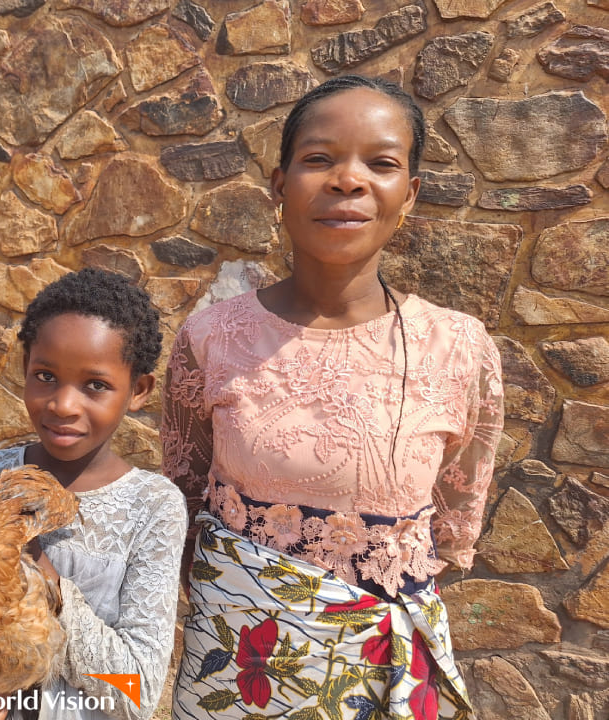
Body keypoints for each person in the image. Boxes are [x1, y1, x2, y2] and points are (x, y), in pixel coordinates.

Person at [162, 75, 504, 720]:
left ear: (411, 195)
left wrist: (345, 618)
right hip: (239, 673)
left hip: (384, 681)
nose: (348, 180)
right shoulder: (211, 339)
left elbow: (453, 524)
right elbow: (185, 499)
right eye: (318, 159)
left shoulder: (459, 349)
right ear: (277, 184)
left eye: (381, 164)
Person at [0, 269, 187, 720]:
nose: (63, 404)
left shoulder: (152, 508)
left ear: (138, 390)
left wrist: (41, 578)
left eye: (95, 385)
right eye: (45, 376)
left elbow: (136, 690)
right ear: (24, 370)